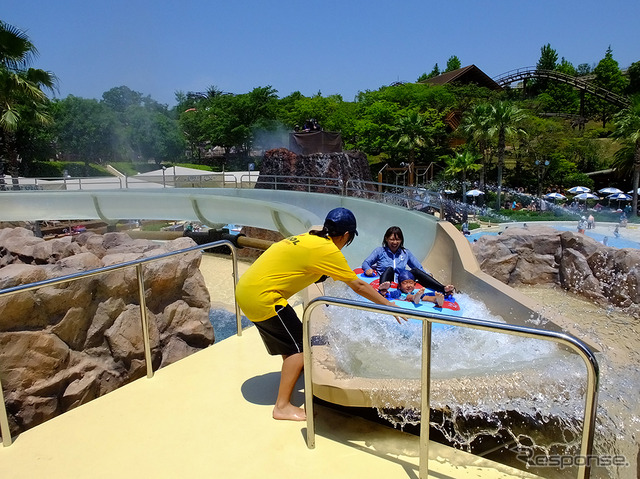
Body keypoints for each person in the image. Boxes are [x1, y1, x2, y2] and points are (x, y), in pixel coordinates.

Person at [236, 208, 402, 422]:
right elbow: (359, 285)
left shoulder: (310, 238)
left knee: (293, 341)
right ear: (346, 236)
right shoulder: (327, 250)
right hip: (263, 298)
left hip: (248, 289)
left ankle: (292, 373)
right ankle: (282, 406)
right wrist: (389, 306)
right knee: (300, 349)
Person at [361, 226, 455, 295]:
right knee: (389, 269)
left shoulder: (405, 253)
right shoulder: (380, 251)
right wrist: (367, 269)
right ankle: (383, 290)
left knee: (415, 271)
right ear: (386, 239)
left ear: (401, 240)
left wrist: (426, 275)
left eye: (398, 240)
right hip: (386, 279)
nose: (395, 242)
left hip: (402, 282)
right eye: (392, 239)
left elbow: (418, 267)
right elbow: (366, 263)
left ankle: (443, 288)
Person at [378, 270, 445, 307]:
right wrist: (384, 291)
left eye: (411, 283)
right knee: (409, 296)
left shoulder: (417, 292)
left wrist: (438, 294)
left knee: (424, 296)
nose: (409, 285)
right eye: (405, 283)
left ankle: (436, 300)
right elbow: (388, 294)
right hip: (406, 297)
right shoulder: (398, 292)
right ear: (399, 286)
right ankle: (415, 298)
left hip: (417, 296)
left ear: (414, 284)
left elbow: (428, 294)